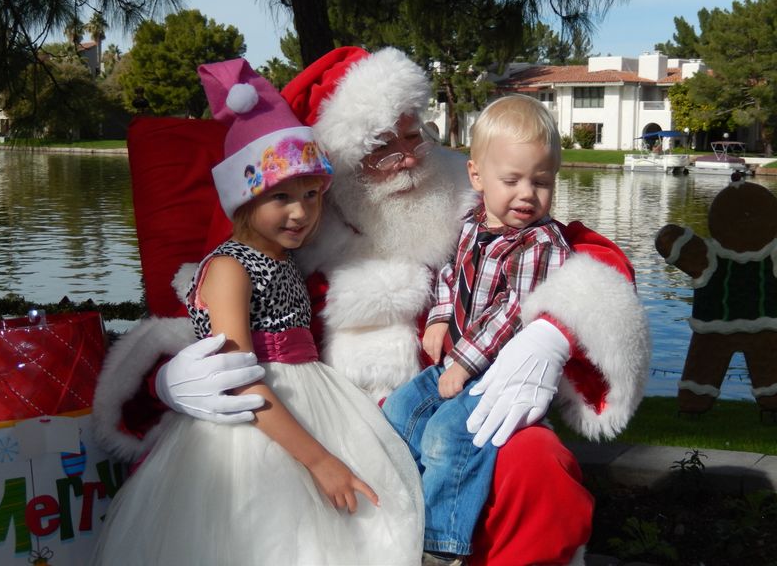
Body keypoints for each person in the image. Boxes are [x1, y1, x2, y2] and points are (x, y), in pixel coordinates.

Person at [93, 47, 650, 566]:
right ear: (340, 163)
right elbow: (221, 326)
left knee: (536, 466)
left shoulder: (475, 191)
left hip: (455, 404)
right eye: (382, 148)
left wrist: (550, 332)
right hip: (331, 423)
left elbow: (585, 252)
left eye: (415, 135)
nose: (408, 160)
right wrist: (170, 379)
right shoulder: (301, 237)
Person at [92, 58, 423, 566]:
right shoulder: (229, 269)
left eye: (312, 195)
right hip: (253, 426)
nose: (301, 212)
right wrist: (320, 460)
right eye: (281, 197)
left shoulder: (285, 259)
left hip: (313, 401)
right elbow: (238, 376)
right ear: (243, 201)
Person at [382, 94, 572, 561]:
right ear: (477, 177)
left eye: (541, 182)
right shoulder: (469, 225)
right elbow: (450, 273)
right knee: (399, 410)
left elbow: (516, 310)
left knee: (450, 435)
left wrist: (464, 364)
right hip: (457, 360)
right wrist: (442, 315)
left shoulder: (539, 242)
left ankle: (441, 546)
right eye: (512, 180)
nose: (528, 194)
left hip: (500, 373)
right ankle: (401, 509)